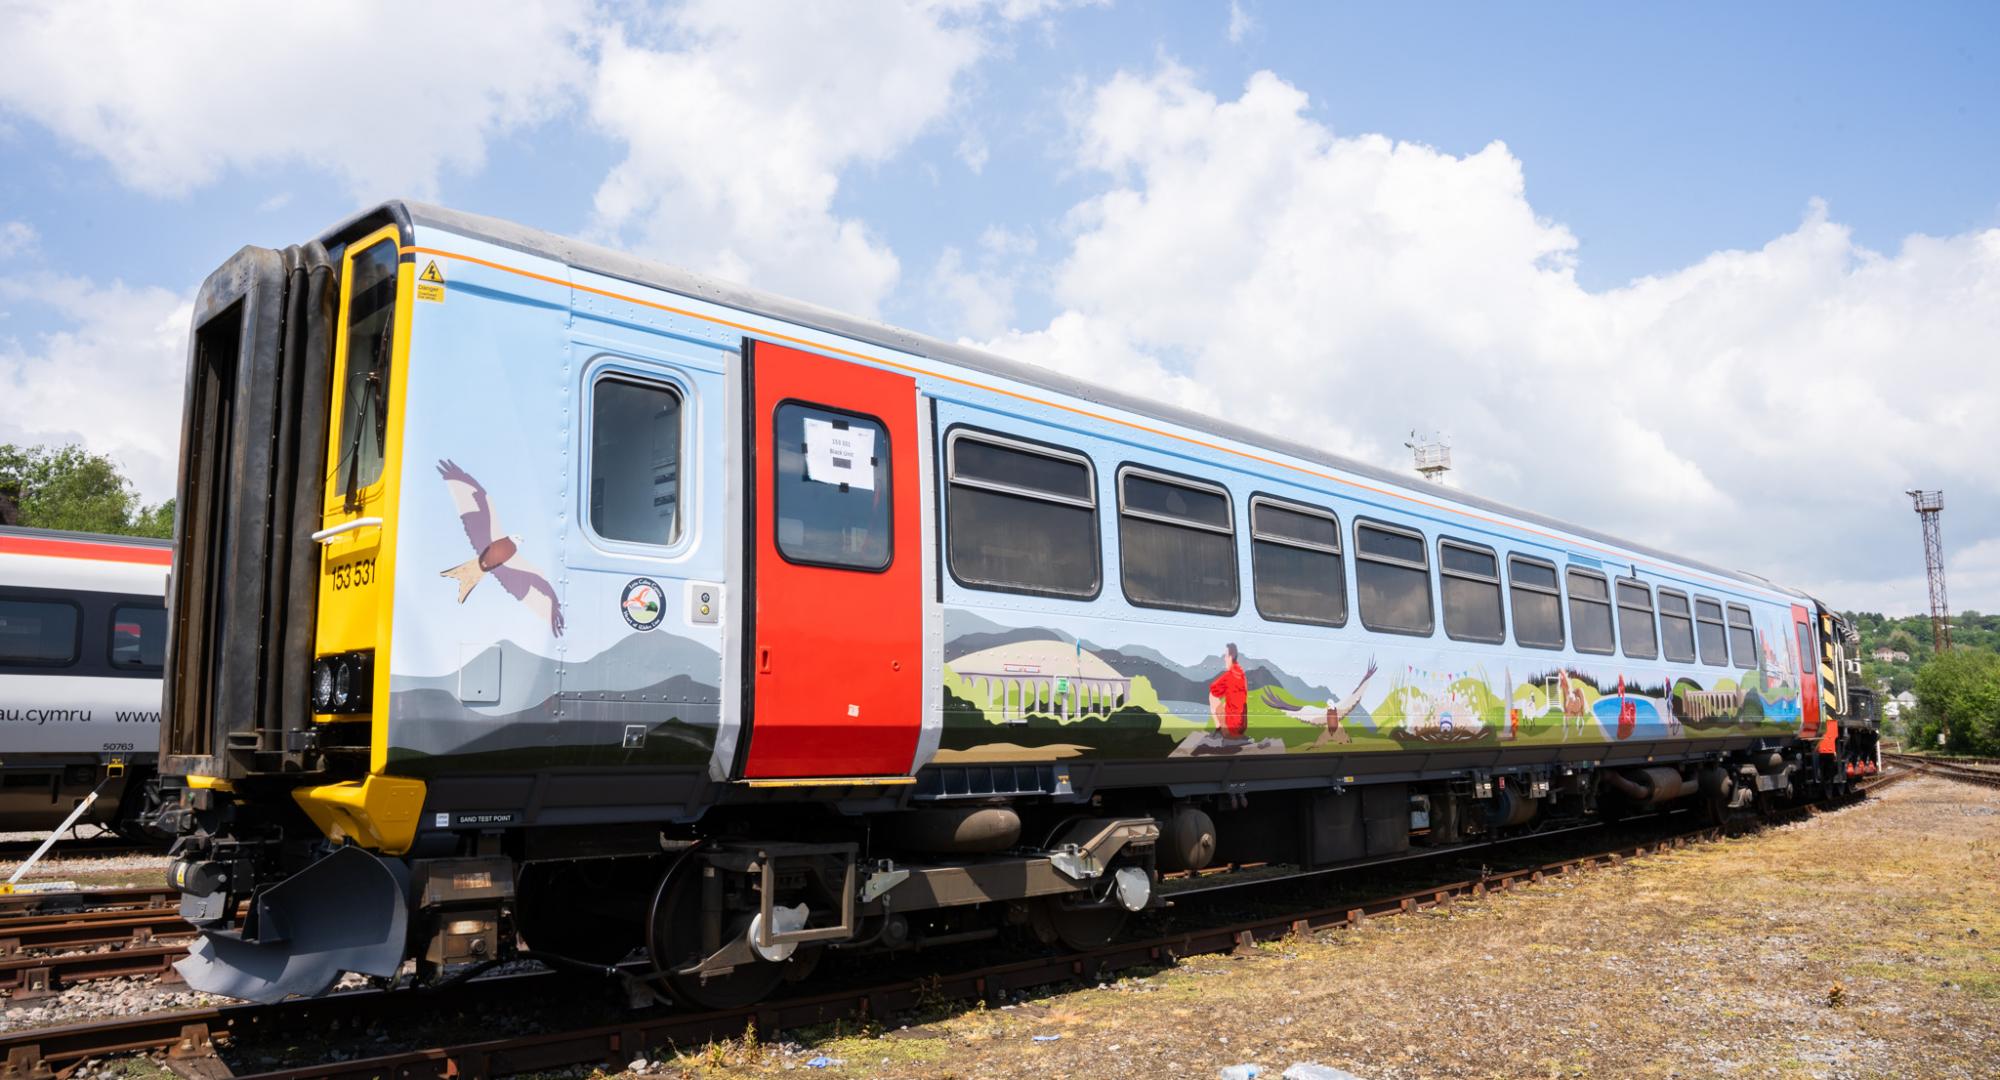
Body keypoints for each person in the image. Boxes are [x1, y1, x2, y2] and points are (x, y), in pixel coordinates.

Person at [1208, 643, 1249, 739]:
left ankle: (1219, 728)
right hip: (1241, 726)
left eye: (1225, 656)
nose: (1224, 659)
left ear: (1230, 657)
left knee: (1212, 695)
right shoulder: (1242, 674)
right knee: (1228, 702)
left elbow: (1213, 688)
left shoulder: (1230, 675)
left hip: (1230, 728)